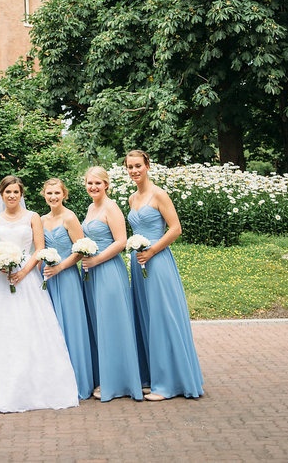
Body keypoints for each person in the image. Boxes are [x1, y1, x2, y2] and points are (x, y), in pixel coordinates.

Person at [0, 175, 79, 412]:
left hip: (27, 279)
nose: (12, 196)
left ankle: (34, 388)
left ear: (21, 195)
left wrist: (24, 272)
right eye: (8, 192)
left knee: (29, 330)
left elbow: (39, 248)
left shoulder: (33, 218)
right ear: (2, 195)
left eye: (16, 192)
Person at [126, 149, 204, 401]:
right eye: (130, 167)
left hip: (157, 261)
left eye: (138, 165)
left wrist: (152, 251)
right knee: (144, 316)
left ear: (147, 165)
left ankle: (169, 383)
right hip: (138, 264)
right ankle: (151, 377)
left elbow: (175, 228)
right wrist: (140, 254)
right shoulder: (131, 199)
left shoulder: (158, 194)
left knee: (162, 317)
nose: (134, 171)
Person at [81, 165, 143, 402]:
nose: (93, 187)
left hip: (108, 270)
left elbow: (120, 241)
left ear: (106, 184)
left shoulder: (111, 207)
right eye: (90, 183)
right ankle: (104, 376)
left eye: (98, 183)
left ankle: (118, 381)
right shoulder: (90, 207)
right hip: (91, 273)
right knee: (99, 324)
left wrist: (95, 260)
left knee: (112, 323)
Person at [40, 177, 94, 400]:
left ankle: (77, 381)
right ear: (44, 195)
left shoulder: (70, 218)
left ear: (64, 194)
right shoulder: (40, 220)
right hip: (47, 279)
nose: (53, 197)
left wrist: (60, 266)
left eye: (57, 193)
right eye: (49, 193)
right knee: (50, 328)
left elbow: (81, 250)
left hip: (67, 276)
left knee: (70, 326)